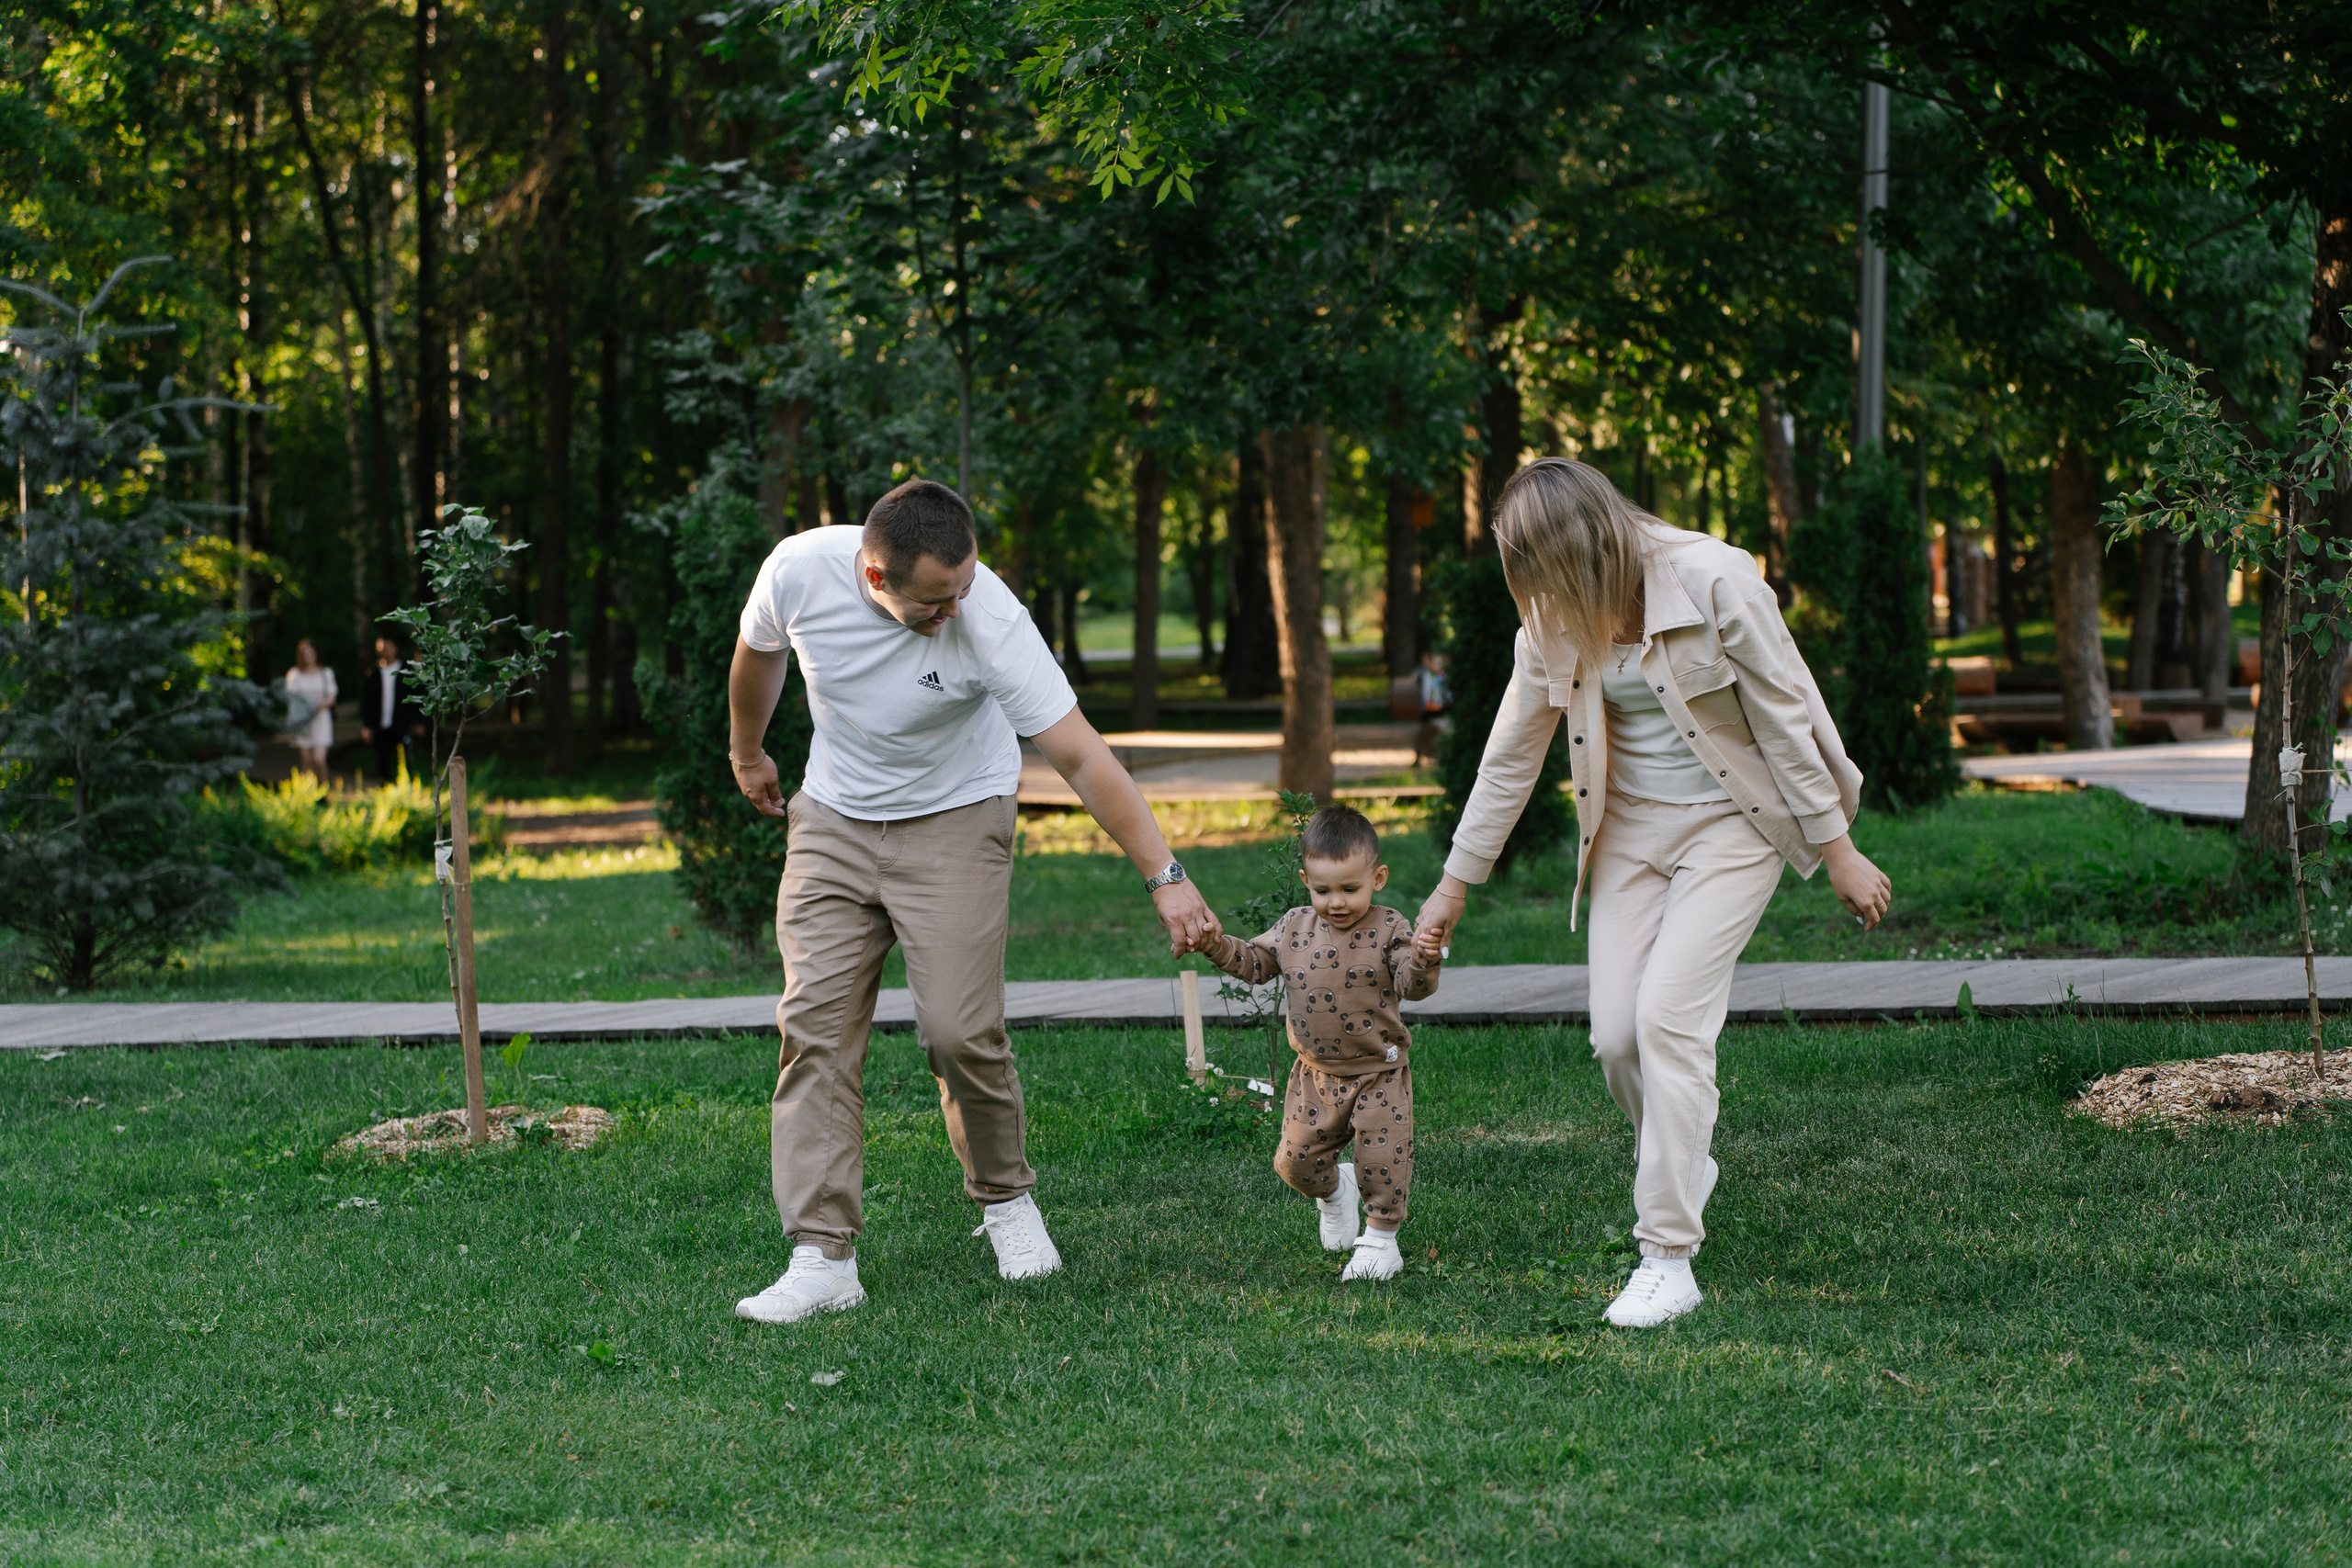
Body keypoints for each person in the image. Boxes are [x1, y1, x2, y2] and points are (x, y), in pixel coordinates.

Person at [727, 479, 1221, 1325]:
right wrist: (746, 751)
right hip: (835, 817)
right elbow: (757, 653)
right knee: (812, 1028)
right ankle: (822, 1254)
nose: (955, 608)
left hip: (957, 814)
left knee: (959, 1031)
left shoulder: (989, 616)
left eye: (964, 586)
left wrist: (1166, 877)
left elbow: (1081, 755)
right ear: (875, 578)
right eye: (934, 599)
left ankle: (1005, 1201)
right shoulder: (799, 570)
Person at [1411, 459, 1891, 1330]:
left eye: (1556, 579)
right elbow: (1510, 755)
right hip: (1628, 830)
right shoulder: (1546, 620)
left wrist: (1840, 850)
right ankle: (1684, 1153)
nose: (1547, 602)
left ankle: (1667, 1254)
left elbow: (1786, 717)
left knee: (1670, 1019)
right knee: (1616, 1037)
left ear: (1598, 544)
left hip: (1734, 824)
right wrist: (1453, 887)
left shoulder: (1715, 581)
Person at [1200, 805, 1441, 1282]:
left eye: (1350, 889)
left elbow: (1413, 985)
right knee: (1295, 1163)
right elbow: (1254, 963)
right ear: (1306, 879)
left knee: (1382, 1160)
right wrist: (1213, 943)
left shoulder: (1390, 927)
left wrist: (1425, 958)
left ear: (1378, 877)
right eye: (1322, 889)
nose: (1336, 902)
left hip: (1379, 1070)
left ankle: (1380, 1240)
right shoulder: (1293, 926)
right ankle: (1336, 1194)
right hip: (1316, 1075)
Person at [359, 636, 423, 784]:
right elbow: (366, 702)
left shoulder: (407, 671)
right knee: (382, 760)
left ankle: (408, 789)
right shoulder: (373, 674)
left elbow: (417, 696)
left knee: (404, 758)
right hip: (380, 725)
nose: (386, 651)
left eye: (389, 647)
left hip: (402, 724)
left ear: (396, 648)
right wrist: (367, 725)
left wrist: (419, 721)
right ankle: (385, 790)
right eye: (383, 648)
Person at [281, 639, 339, 780]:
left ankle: (323, 790)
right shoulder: (294, 674)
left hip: (321, 719)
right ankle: (310, 792)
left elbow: (331, 697)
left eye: (311, 653)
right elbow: (291, 697)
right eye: (305, 654)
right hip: (303, 720)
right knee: (307, 760)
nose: (309, 656)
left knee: (319, 759)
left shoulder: (326, 673)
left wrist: (318, 706)